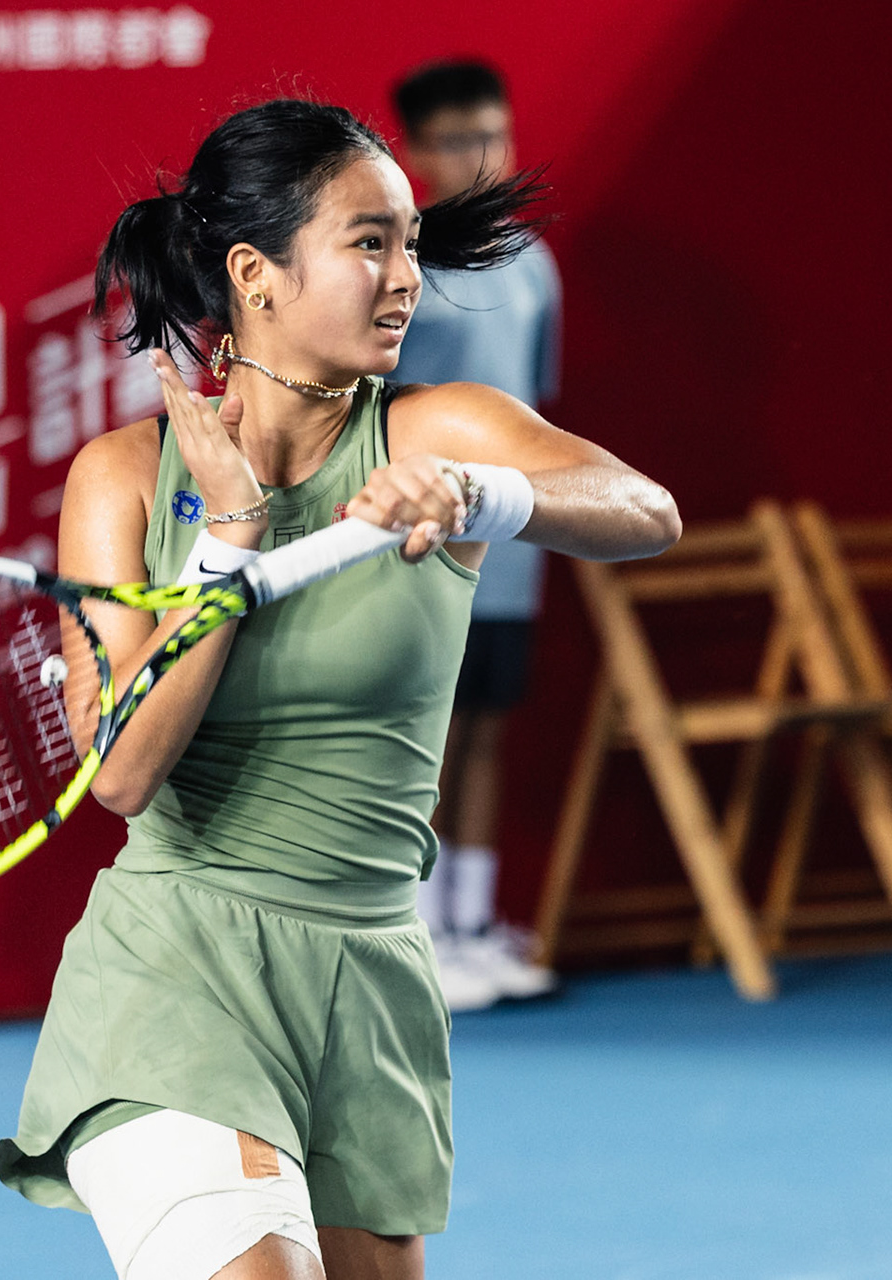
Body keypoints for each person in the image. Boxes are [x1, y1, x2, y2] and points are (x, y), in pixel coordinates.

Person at [0, 98, 679, 1280]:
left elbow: (646, 513)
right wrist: (228, 543)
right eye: (371, 243)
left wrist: (480, 495)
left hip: (371, 985)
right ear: (256, 274)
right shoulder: (123, 478)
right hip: (179, 972)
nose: (407, 276)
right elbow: (124, 772)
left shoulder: (441, 430)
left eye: (410, 242)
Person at [392, 60, 564, 1012]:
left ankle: (471, 924)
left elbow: (536, 409)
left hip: (515, 543)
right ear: (414, 153)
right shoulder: (398, 265)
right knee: (432, 735)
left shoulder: (535, 262)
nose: (482, 158)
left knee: (489, 731)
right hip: (422, 543)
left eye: (494, 136)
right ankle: (417, 931)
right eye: (458, 141)